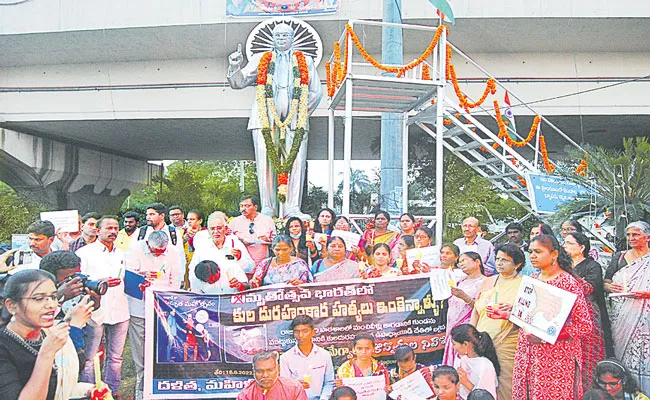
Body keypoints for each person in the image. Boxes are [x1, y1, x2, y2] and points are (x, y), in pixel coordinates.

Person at [228, 22, 323, 218]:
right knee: (264, 161)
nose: (280, 39)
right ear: (272, 38)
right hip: (265, 117)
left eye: (285, 36)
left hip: (295, 118)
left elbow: (316, 92)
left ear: (293, 39)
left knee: (296, 161)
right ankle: (268, 207)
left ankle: (292, 208)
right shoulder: (260, 59)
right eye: (277, 36)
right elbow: (239, 83)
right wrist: (235, 65)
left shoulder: (305, 60)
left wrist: (300, 112)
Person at [512, 234, 594, 400]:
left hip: (556, 356)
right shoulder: (533, 279)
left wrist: (545, 337)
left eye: (538, 252)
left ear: (554, 254)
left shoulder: (568, 283)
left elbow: (585, 326)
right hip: (527, 352)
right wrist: (508, 313)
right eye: (530, 252)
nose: (532, 256)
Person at [0, 269, 97, 400]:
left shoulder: (49, 332)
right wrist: (46, 353)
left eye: (53, 297)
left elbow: (61, 384)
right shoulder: (4, 347)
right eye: (39, 299)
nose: (51, 305)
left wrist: (89, 390)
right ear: (12, 306)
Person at [126, 230, 183, 400]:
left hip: (163, 306)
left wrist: (173, 300)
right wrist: (142, 275)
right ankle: (142, 381)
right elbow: (127, 274)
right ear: (147, 244)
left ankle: (163, 378)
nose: (158, 254)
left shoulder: (172, 251)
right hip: (139, 307)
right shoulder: (135, 249)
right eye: (155, 251)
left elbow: (176, 277)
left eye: (161, 251)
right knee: (140, 345)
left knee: (164, 342)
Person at [77, 215, 130, 395]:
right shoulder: (84, 253)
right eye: (109, 228)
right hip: (95, 310)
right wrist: (99, 282)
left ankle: (112, 391)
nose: (113, 232)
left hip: (120, 310)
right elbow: (77, 282)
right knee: (90, 357)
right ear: (98, 230)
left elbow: (127, 279)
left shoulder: (122, 253)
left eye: (116, 228)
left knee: (116, 357)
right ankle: (89, 392)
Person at [470, 243, 524, 400]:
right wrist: (471, 334)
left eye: (505, 260)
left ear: (517, 264)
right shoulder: (488, 282)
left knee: (505, 383)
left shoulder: (524, 284)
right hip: (482, 341)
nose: (499, 263)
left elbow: (528, 315)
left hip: (508, 342)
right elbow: (476, 310)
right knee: (482, 382)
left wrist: (512, 310)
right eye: (498, 259)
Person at [605, 221, 650, 393]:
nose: (631, 238)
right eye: (629, 234)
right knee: (623, 354)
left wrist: (645, 295)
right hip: (623, 316)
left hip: (646, 317)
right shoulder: (620, 257)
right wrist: (609, 287)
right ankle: (626, 392)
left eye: (636, 234)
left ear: (647, 237)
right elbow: (607, 280)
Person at [564, 232, 614, 386]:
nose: (564, 246)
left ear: (581, 247)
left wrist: (569, 277)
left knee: (588, 357)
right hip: (566, 317)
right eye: (564, 243)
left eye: (569, 243)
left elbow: (588, 288)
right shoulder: (561, 266)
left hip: (587, 317)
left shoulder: (592, 266)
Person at [443, 252, 486, 366]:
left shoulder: (485, 282)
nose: (461, 263)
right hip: (452, 328)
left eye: (464, 260)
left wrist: (465, 297)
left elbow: (482, 309)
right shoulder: (460, 282)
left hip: (467, 330)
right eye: (460, 261)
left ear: (477, 262)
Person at [189, 213, 253, 288]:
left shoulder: (235, 243)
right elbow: (193, 272)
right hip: (210, 294)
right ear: (208, 231)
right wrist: (196, 293)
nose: (216, 231)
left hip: (232, 292)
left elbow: (250, 268)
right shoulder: (202, 246)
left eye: (219, 228)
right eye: (212, 229)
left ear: (225, 229)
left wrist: (240, 258)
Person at [280, 315, 335, 400]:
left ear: (313, 332)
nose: (301, 335)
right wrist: (296, 385)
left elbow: (329, 383)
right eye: (297, 332)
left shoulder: (324, 355)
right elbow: (285, 386)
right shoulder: (286, 358)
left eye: (305, 331)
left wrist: (323, 399)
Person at [130, 203, 186, 271]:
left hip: (167, 277)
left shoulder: (173, 233)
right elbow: (131, 255)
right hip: (145, 277)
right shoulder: (140, 232)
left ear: (162, 216)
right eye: (147, 214)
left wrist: (180, 279)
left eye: (152, 214)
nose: (148, 217)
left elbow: (180, 257)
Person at [450, 324, 499, 399]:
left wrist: (466, 382)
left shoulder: (485, 366)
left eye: (454, 344)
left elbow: (487, 397)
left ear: (465, 344)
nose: (453, 348)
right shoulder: (463, 360)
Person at [238, 350, 308, 400]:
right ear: (254, 372)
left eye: (270, 370)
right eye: (260, 371)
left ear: (278, 369)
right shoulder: (245, 396)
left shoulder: (294, 388)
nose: (265, 375)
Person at [248, 235, 312, 288]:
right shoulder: (265, 264)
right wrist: (254, 283)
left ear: (291, 248)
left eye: (285, 249)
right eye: (277, 250)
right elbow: (256, 283)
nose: (281, 253)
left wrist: (300, 284)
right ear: (272, 249)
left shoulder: (299, 264)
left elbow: (310, 286)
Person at [229, 196, 277, 267]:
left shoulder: (267, 220)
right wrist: (239, 241)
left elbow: (275, 240)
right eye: (241, 206)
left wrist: (267, 240)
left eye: (247, 206)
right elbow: (228, 240)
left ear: (255, 207)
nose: (243, 209)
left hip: (262, 262)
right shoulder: (234, 222)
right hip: (241, 262)